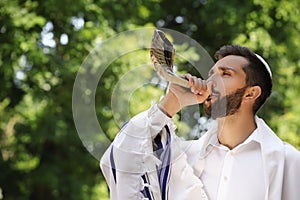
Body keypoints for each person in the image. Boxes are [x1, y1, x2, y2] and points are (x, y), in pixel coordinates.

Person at [100, 44, 300, 200]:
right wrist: (171, 103)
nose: (211, 81)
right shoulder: (183, 160)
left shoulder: (287, 162)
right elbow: (122, 161)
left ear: (251, 93)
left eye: (225, 74)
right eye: (211, 74)